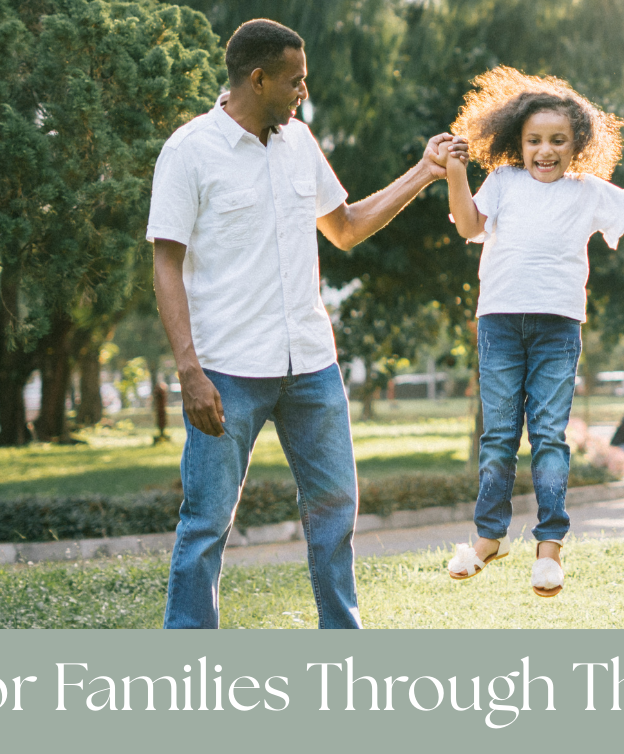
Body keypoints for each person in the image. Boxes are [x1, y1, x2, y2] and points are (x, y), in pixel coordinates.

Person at [146, 19, 457, 629]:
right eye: (295, 81)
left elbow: (344, 227)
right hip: (227, 370)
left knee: (336, 509)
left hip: (311, 364)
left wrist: (425, 171)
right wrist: (189, 369)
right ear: (257, 79)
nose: (303, 93)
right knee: (207, 520)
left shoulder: (300, 142)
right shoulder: (189, 150)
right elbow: (166, 261)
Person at [439, 67, 624, 598]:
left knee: (550, 436)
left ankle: (549, 548)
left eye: (557, 141)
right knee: (500, 436)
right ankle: (490, 537)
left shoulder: (588, 191)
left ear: (578, 144)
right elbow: (468, 226)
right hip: (500, 324)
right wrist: (455, 173)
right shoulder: (505, 182)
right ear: (518, 142)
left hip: (557, 327)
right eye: (534, 141)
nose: (545, 151)